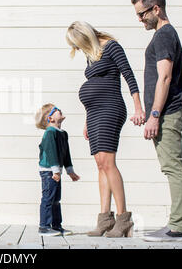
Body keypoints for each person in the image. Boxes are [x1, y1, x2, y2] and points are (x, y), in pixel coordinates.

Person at [65, 21, 145, 238]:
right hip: (94, 114)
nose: (79, 49)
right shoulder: (92, 54)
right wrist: (86, 121)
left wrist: (138, 107)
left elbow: (129, 75)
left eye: (79, 44)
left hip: (111, 109)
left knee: (108, 163)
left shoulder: (111, 46)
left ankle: (123, 220)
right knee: (100, 164)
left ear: (86, 36)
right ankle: (105, 220)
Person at [131, 0, 182, 242]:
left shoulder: (164, 35)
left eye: (142, 14)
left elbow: (165, 77)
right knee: (171, 166)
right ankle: (176, 225)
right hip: (164, 112)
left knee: (173, 167)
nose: (140, 19)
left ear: (156, 8)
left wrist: (155, 115)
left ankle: (177, 228)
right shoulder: (163, 35)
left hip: (167, 113)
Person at [35, 103, 80, 236]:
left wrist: (70, 170)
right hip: (48, 171)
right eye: (55, 110)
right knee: (48, 198)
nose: (59, 110)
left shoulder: (63, 134)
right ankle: (44, 226)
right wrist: (55, 171)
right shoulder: (50, 133)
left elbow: (66, 154)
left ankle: (56, 225)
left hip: (55, 171)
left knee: (56, 199)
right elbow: (51, 152)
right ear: (50, 119)